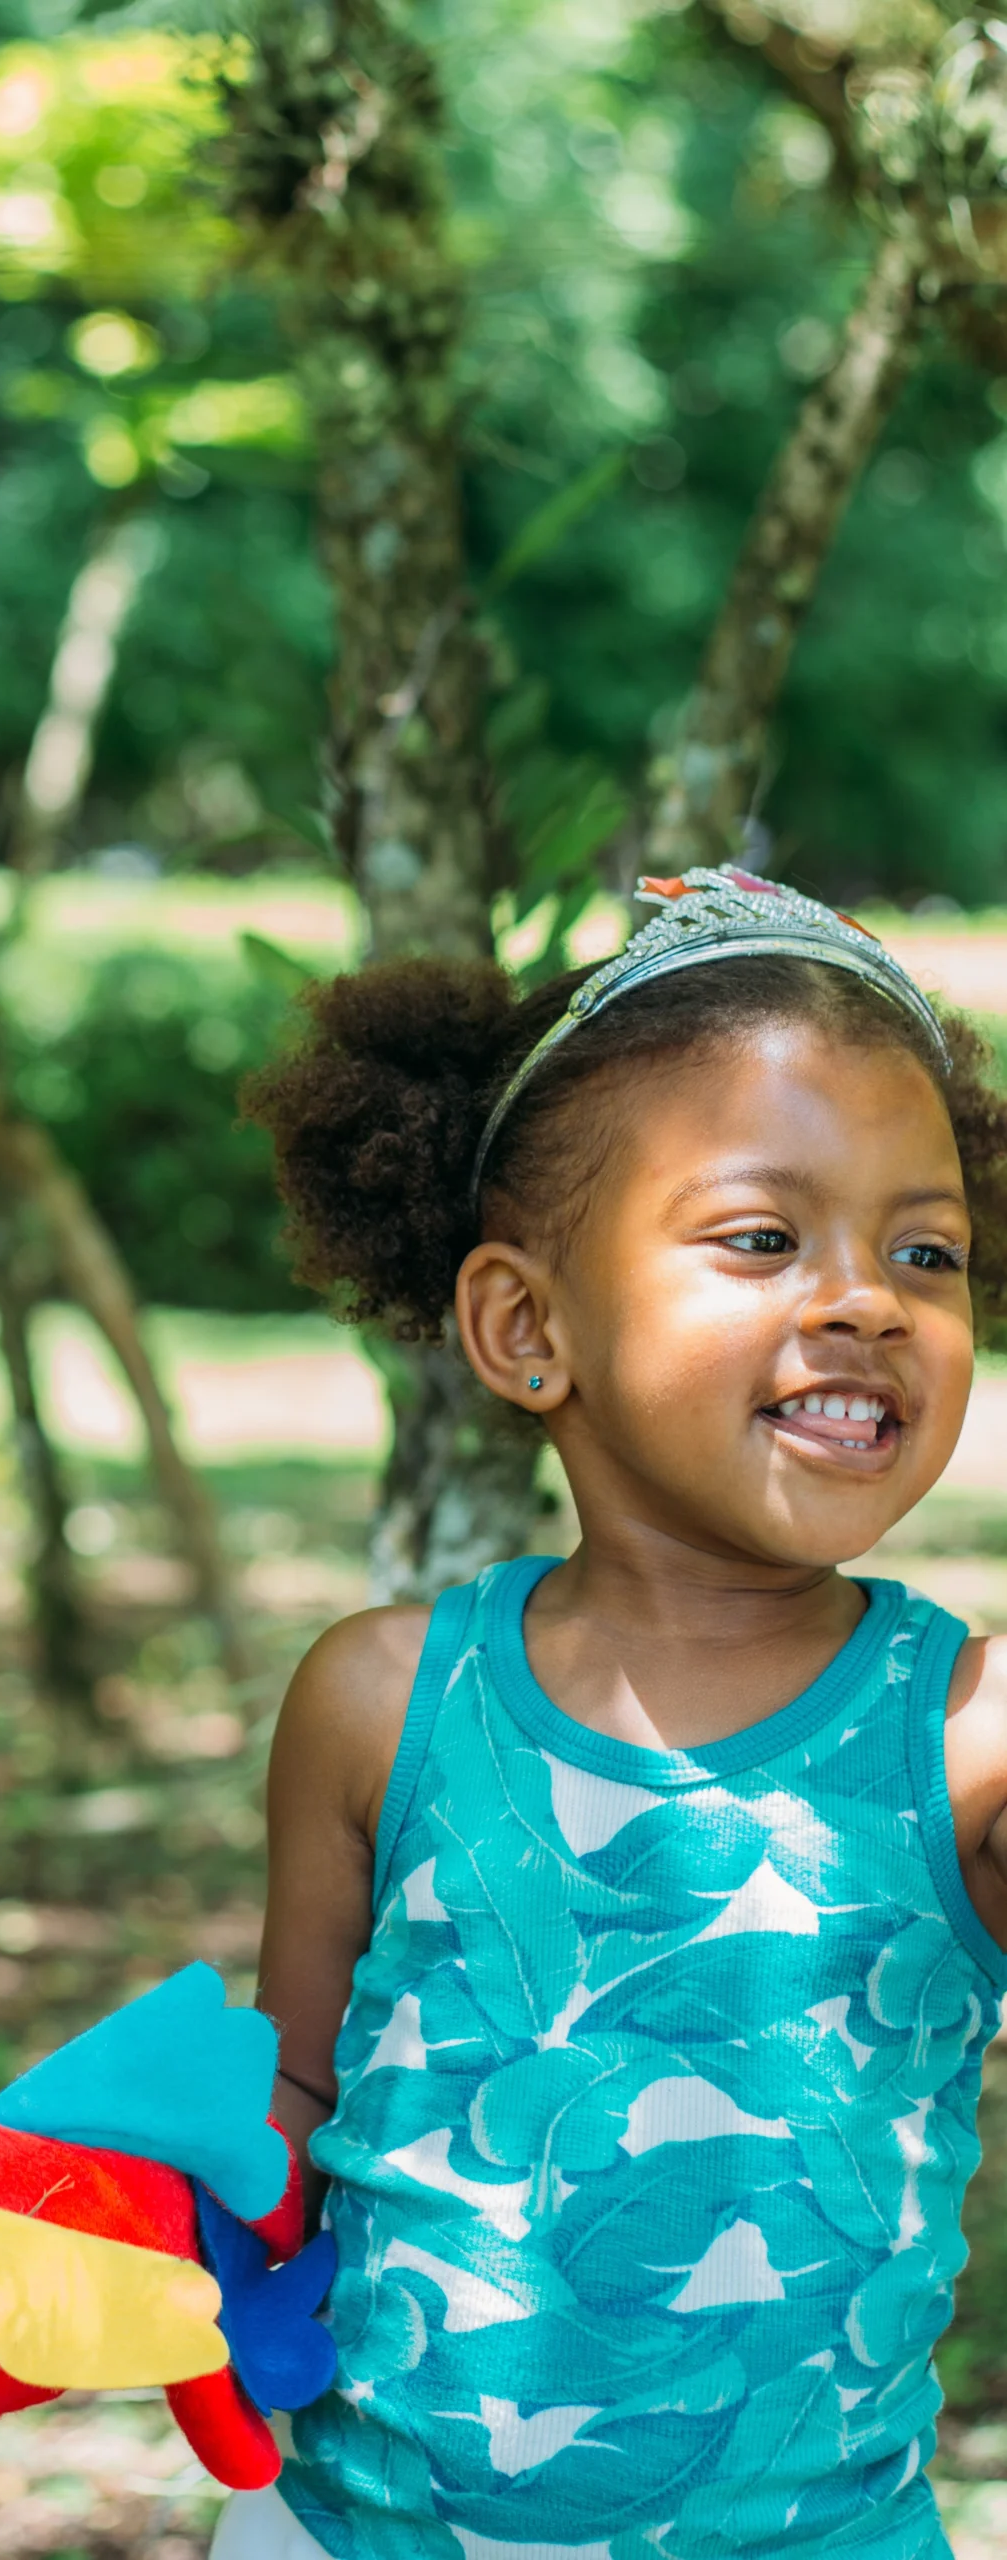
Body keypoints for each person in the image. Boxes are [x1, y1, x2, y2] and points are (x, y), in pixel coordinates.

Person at [214, 868, 1007, 2560]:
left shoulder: (968, 1733)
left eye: (925, 1250)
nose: (868, 1297)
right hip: (357, 2538)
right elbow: (293, 2090)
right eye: (764, 1236)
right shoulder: (380, 1698)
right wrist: (148, 2236)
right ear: (526, 1324)